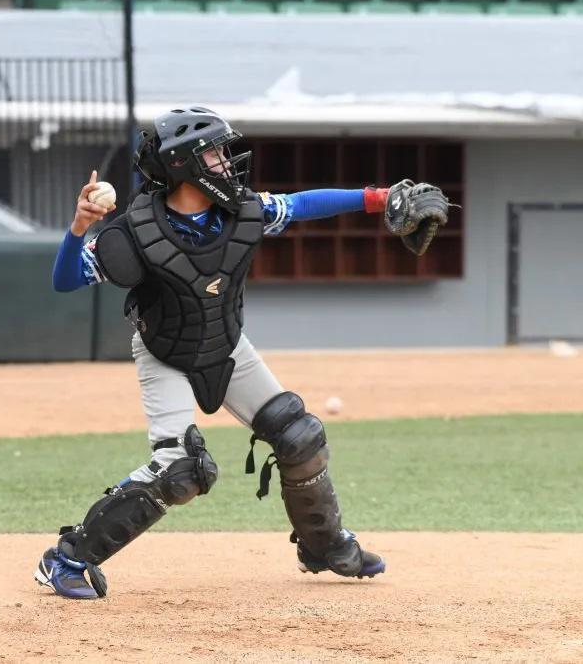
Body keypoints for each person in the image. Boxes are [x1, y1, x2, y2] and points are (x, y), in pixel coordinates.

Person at [35, 105, 452, 599]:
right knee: (181, 471)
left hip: (227, 344)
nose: (226, 163)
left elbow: (302, 205)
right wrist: (81, 224)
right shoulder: (133, 234)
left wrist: (379, 197)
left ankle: (325, 545)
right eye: (213, 153)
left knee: (300, 437)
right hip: (164, 351)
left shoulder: (243, 210)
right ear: (183, 165)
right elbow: (64, 281)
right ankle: (66, 559)